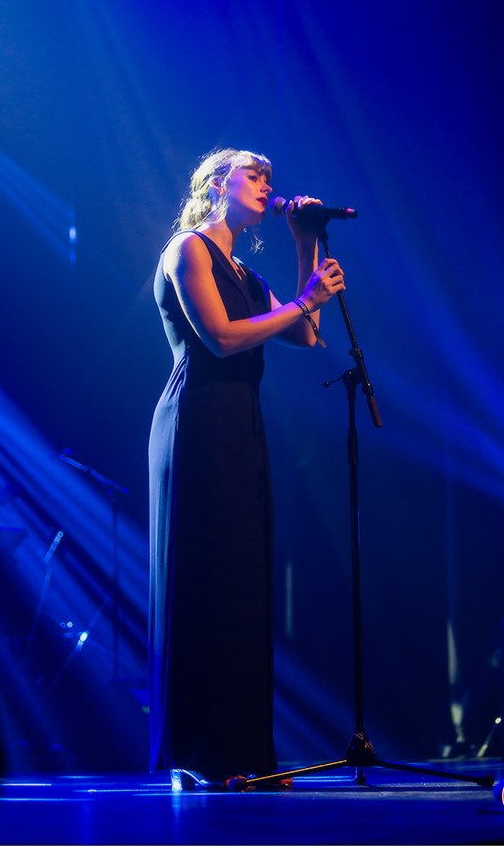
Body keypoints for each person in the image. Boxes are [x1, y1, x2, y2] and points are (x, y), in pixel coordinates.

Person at [148, 148, 345, 790]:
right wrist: (307, 298)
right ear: (214, 185)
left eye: (269, 177)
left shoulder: (240, 267)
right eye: (252, 174)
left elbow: (307, 334)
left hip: (240, 421)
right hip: (197, 420)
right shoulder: (188, 250)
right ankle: (199, 753)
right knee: (202, 576)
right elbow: (223, 337)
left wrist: (305, 245)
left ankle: (245, 754)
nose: (266, 184)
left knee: (241, 578)